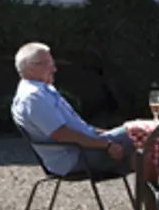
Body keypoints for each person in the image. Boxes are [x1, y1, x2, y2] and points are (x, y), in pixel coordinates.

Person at [10, 41, 134, 179]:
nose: (54, 69)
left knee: (141, 145)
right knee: (143, 133)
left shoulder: (42, 91)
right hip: (75, 157)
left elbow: (79, 128)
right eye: (49, 64)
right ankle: (151, 189)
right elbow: (61, 134)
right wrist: (107, 144)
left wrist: (106, 135)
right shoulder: (33, 97)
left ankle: (149, 191)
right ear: (31, 67)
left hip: (84, 149)